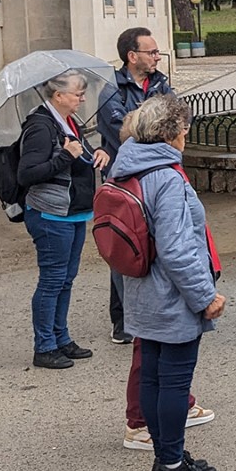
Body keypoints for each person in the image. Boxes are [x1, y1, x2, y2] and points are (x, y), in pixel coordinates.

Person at [107, 95, 227, 471]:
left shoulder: (127, 168)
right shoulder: (167, 178)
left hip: (140, 290)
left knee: (153, 377)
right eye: (184, 129)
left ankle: (167, 456)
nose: (186, 135)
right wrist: (204, 297)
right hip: (171, 295)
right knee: (173, 381)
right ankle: (171, 464)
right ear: (172, 133)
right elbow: (177, 249)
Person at [16, 70, 109, 367]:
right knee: (52, 280)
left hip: (73, 212)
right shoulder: (40, 126)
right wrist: (65, 156)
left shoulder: (67, 121)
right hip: (50, 214)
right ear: (58, 95)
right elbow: (27, 174)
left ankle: (61, 338)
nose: (82, 99)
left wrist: (99, 153)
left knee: (66, 279)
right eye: (77, 94)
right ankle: (44, 347)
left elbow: (82, 153)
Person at [98, 26, 173, 344]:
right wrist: (154, 127)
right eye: (151, 52)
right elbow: (122, 131)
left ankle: (153, 311)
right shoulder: (111, 89)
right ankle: (123, 319)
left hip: (157, 175)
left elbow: (179, 120)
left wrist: (146, 125)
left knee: (157, 245)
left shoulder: (160, 84)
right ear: (132, 56)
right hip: (125, 180)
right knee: (125, 245)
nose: (157, 56)